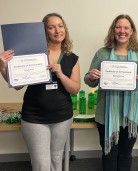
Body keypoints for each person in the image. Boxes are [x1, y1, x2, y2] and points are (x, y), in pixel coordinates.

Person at [0, 13, 80, 171]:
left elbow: (74, 89)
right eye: (51, 27)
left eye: (60, 26)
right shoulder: (31, 54)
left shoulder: (72, 58)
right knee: (41, 164)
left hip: (62, 116)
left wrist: (60, 74)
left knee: (56, 159)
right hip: (34, 116)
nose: (57, 30)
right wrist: (2, 67)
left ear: (65, 29)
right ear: (44, 31)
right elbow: (17, 86)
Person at [84, 14, 138, 171]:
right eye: (118, 27)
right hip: (106, 114)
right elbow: (89, 80)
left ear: (132, 31)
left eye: (126, 27)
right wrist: (92, 76)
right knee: (109, 153)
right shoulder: (102, 53)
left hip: (132, 117)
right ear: (113, 30)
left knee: (125, 154)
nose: (122, 31)